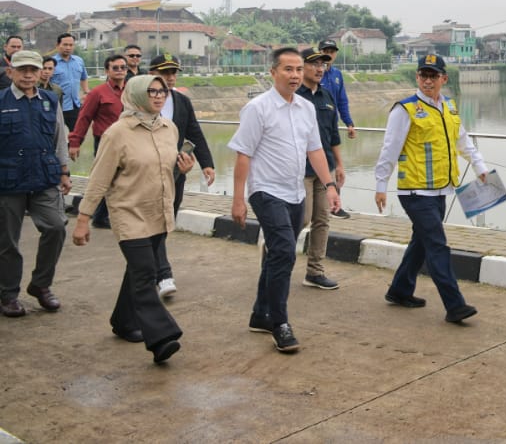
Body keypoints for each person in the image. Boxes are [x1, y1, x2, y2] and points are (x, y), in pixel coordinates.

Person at [72, 75, 192, 364]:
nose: (158, 96)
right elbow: (99, 179)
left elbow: (164, 171)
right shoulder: (117, 133)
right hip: (129, 214)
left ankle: (122, 320)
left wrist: (183, 169)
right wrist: (83, 218)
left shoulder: (169, 128)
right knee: (145, 274)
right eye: (151, 91)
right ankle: (161, 336)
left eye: (162, 91)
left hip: (158, 212)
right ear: (137, 94)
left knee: (138, 271)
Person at [228, 47, 341, 353]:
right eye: (287, 69)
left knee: (279, 254)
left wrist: (330, 185)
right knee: (284, 252)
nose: (294, 75)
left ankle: (260, 314)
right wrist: (238, 199)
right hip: (265, 191)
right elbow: (243, 155)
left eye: (297, 69)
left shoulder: (305, 108)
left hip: (294, 192)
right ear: (273, 73)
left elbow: (315, 150)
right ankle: (280, 323)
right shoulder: (257, 108)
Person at [375, 53, 490, 324]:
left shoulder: (448, 107)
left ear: (443, 78)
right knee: (437, 245)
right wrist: (381, 185)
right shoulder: (405, 110)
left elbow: (463, 142)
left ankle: (400, 290)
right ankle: (455, 305)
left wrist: (479, 166)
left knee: (422, 243)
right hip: (415, 192)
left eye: (433, 75)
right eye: (423, 75)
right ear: (417, 77)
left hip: (440, 190)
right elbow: (389, 150)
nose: (428, 80)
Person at [0, 50, 71, 318]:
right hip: (8, 180)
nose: (28, 74)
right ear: (10, 72)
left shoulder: (50, 100)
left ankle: (41, 285)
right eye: (22, 70)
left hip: (44, 176)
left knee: (55, 227)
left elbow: (59, 139)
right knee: (7, 241)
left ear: (41, 71)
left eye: (33, 69)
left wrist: (64, 172)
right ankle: (8, 294)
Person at [148, 53, 216, 299]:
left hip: (175, 172)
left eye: (173, 72)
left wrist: (207, 164)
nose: (170, 77)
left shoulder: (181, 101)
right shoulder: (140, 101)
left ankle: (154, 267)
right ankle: (163, 274)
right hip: (146, 174)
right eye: (165, 72)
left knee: (165, 222)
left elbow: (194, 132)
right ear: (151, 73)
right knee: (153, 222)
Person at [296, 48, 345, 290]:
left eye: (322, 65)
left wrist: (339, 166)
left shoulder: (327, 96)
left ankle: (315, 272)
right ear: (302, 66)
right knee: (302, 219)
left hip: (324, 169)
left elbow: (333, 135)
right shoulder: (294, 97)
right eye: (314, 64)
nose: (319, 68)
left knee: (322, 220)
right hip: (299, 169)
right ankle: (275, 256)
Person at [69, 54, 129, 229]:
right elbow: (84, 118)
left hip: (128, 142)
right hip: (104, 142)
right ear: (107, 71)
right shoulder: (98, 93)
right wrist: (75, 142)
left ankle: (106, 215)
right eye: (115, 68)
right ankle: (100, 216)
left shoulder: (131, 91)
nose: (120, 71)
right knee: (105, 179)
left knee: (124, 179)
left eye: (123, 67)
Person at [318, 40, 355, 219]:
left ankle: (335, 205)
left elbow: (342, 102)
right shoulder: (315, 74)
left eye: (332, 51)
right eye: (326, 51)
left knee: (335, 163)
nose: (329, 54)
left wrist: (349, 123)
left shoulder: (337, 75)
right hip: (316, 126)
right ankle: (318, 204)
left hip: (332, 125)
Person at [50, 33, 88, 131]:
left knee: (78, 134)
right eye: (65, 45)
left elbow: (83, 77)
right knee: (55, 135)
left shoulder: (79, 61)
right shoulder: (51, 63)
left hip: (75, 105)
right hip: (57, 106)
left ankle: (69, 147)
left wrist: (86, 91)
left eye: (71, 45)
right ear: (58, 45)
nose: (68, 47)